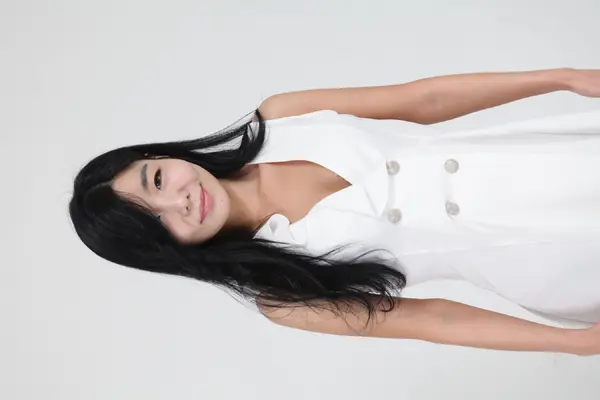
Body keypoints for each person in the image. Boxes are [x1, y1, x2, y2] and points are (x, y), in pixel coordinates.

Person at [69, 67, 600, 356]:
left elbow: (423, 100)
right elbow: (433, 319)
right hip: (550, 259)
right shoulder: (280, 294)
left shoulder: (279, 117)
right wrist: (569, 343)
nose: (179, 200)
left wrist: (561, 79)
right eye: (158, 221)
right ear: (168, 253)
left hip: (551, 159)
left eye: (157, 179)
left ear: (161, 156)